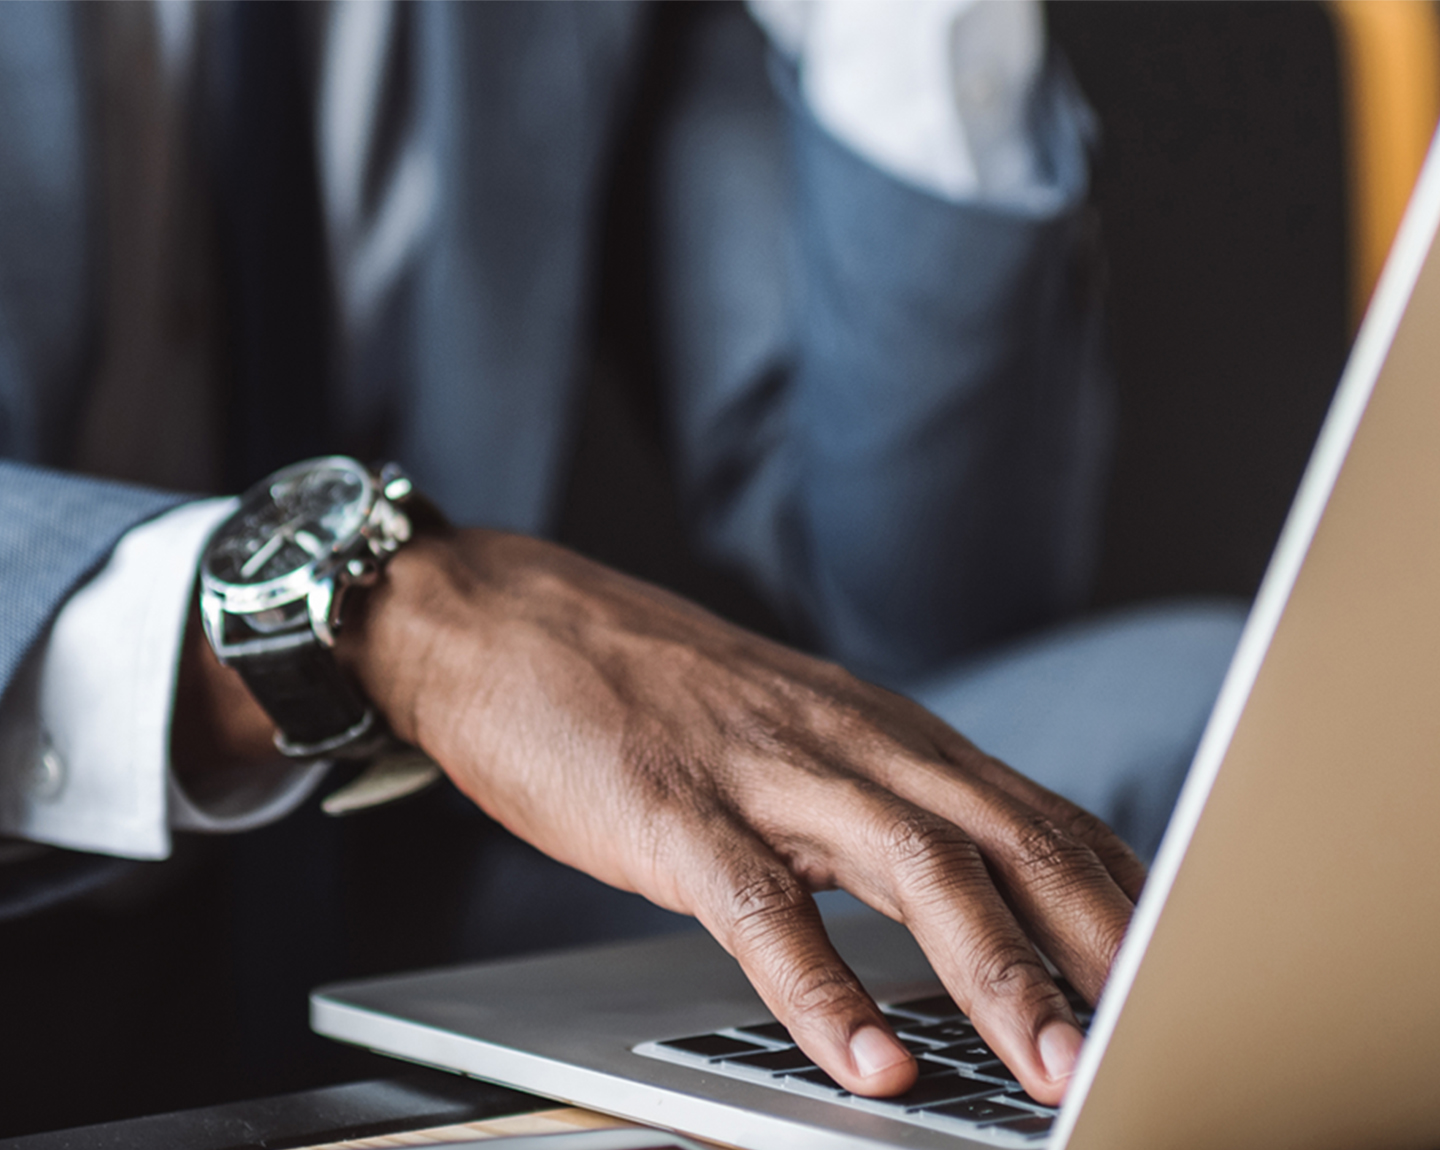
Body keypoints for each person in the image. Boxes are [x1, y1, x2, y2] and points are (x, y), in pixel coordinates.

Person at [0, 0, 1245, 1115]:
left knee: (1225, 726)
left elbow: (927, 604)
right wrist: (392, 619)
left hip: (418, 885)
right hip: (33, 878)